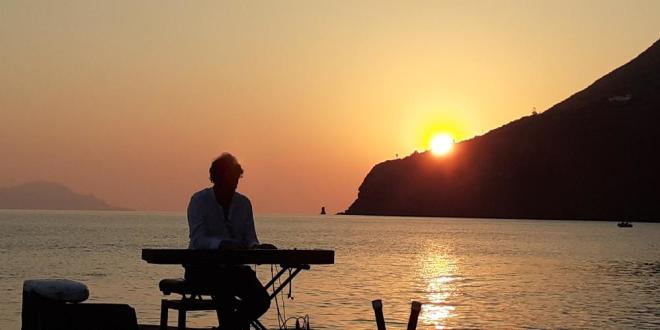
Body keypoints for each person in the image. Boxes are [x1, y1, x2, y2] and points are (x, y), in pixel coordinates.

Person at [185, 153, 273, 329]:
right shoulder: (199, 201)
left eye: (236, 179)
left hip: (234, 270)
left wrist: (257, 248)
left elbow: (250, 237)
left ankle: (229, 327)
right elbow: (198, 239)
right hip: (201, 269)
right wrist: (221, 244)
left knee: (262, 300)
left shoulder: (244, 203)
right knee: (224, 293)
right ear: (216, 179)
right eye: (229, 180)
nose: (233, 185)